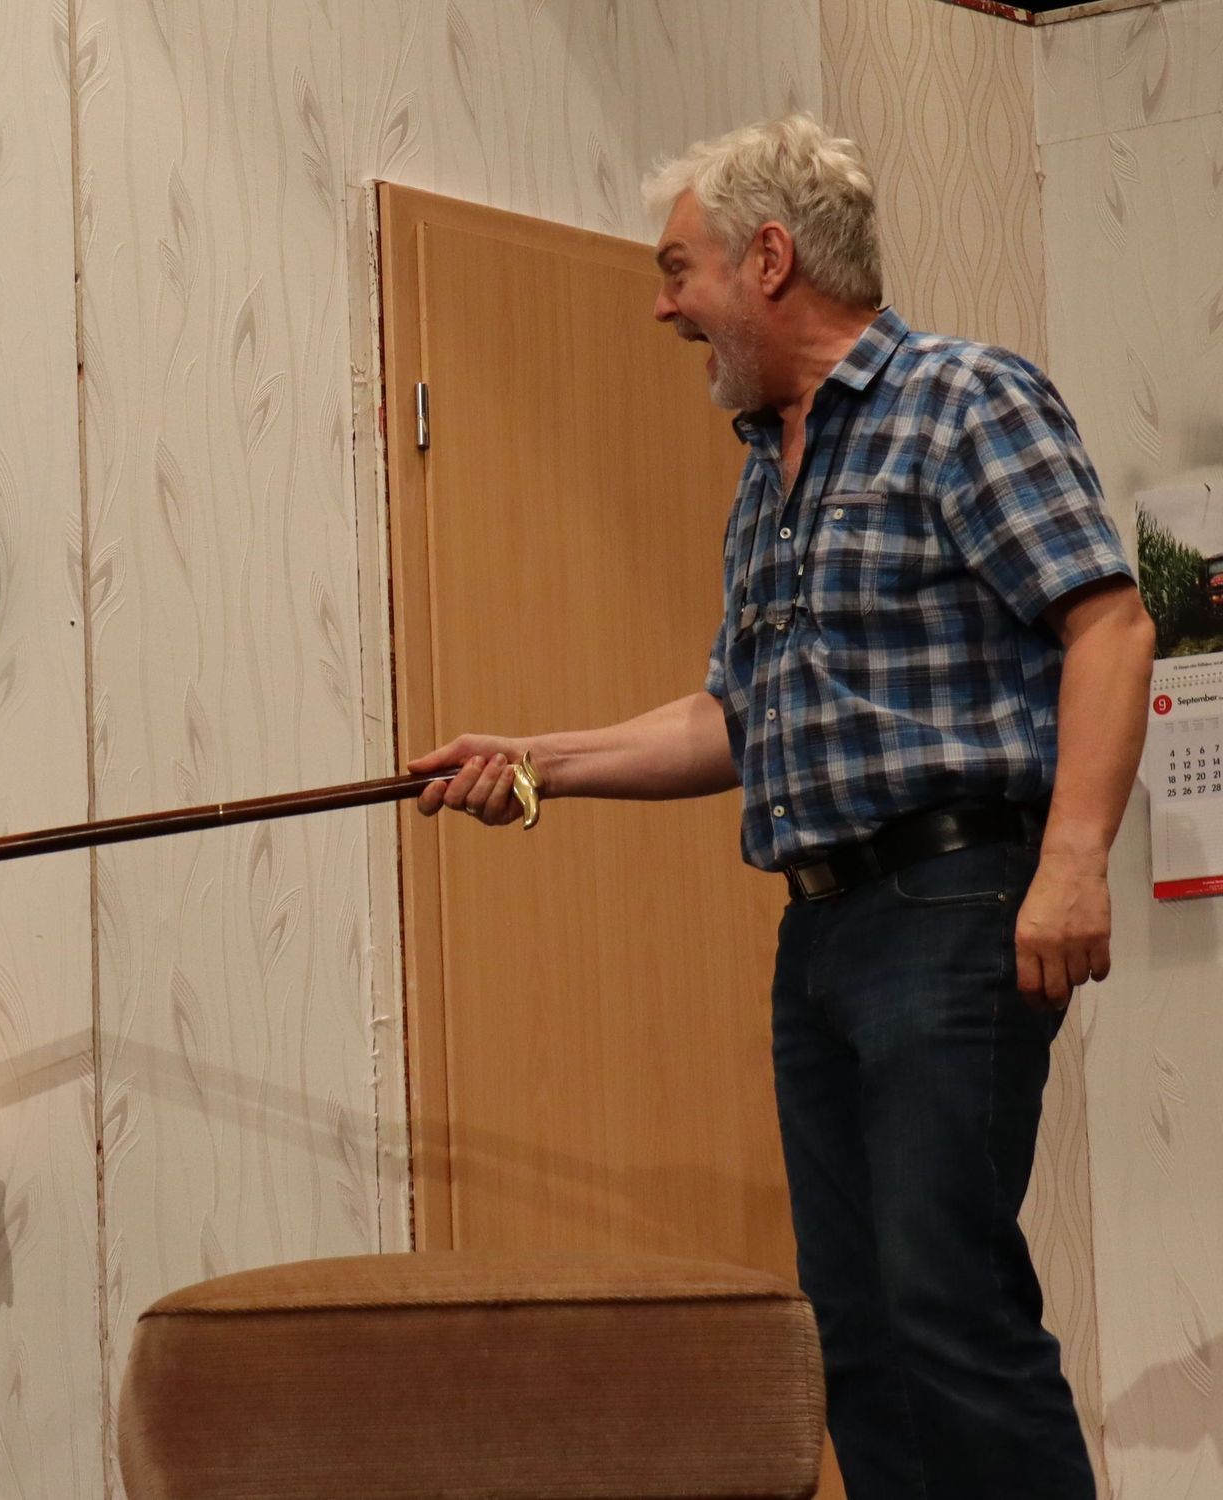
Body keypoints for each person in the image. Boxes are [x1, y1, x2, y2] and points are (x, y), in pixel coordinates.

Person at [411, 113, 1152, 1500]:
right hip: (819, 934)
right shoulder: (769, 468)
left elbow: (1108, 625)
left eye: (676, 267)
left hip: (954, 906)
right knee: (854, 1335)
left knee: (948, 1304)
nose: (662, 304)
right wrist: (536, 758)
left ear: (768, 258)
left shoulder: (965, 400)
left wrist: (1073, 863)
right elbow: (734, 719)